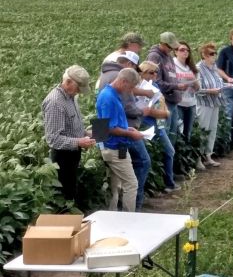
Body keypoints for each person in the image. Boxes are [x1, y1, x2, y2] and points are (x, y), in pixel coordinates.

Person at [98, 51, 154, 210]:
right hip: (114, 148)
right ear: (122, 81)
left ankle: (114, 215)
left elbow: (110, 123)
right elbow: (107, 127)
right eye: (130, 87)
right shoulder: (108, 97)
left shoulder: (112, 94)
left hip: (116, 146)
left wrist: (126, 128)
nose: (130, 91)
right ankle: (129, 218)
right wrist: (130, 133)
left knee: (117, 186)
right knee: (131, 183)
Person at [42, 66, 97, 210]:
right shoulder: (55, 102)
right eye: (78, 88)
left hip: (72, 155)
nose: (79, 92)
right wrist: (79, 142)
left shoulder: (70, 97)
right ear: (67, 82)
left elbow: (69, 127)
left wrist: (86, 133)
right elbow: (53, 139)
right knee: (64, 196)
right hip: (62, 158)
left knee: (71, 192)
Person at [137, 61, 180, 192]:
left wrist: (165, 113)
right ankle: (167, 184)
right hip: (147, 125)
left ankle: (166, 183)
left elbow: (160, 105)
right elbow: (145, 110)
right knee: (165, 152)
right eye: (151, 72)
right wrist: (162, 113)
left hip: (158, 125)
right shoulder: (139, 88)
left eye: (156, 72)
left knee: (164, 152)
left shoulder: (153, 85)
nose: (155, 74)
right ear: (142, 73)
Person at [147, 32, 185, 141]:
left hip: (173, 100)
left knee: (173, 134)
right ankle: (165, 157)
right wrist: (176, 86)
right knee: (165, 134)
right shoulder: (155, 56)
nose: (172, 49)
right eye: (169, 46)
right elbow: (156, 82)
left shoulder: (168, 56)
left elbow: (171, 76)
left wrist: (178, 85)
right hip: (164, 101)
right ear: (163, 44)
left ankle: (171, 157)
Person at [195, 43, 223, 167]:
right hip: (204, 104)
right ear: (204, 55)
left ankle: (208, 156)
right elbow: (197, 89)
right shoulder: (198, 68)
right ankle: (198, 158)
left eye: (215, 53)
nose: (214, 56)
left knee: (212, 129)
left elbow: (219, 82)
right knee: (203, 130)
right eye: (211, 54)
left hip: (215, 102)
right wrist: (211, 91)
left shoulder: (214, 67)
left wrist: (225, 86)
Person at [174, 41, 200, 141]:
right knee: (177, 131)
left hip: (191, 102)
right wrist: (179, 86)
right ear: (175, 52)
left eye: (187, 50)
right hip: (178, 102)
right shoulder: (172, 65)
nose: (185, 52)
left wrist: (195, 83)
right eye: (182, 50)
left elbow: (198, 88)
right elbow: (169, 83)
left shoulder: (192, 67)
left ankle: (186, 153)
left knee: (187, 132)